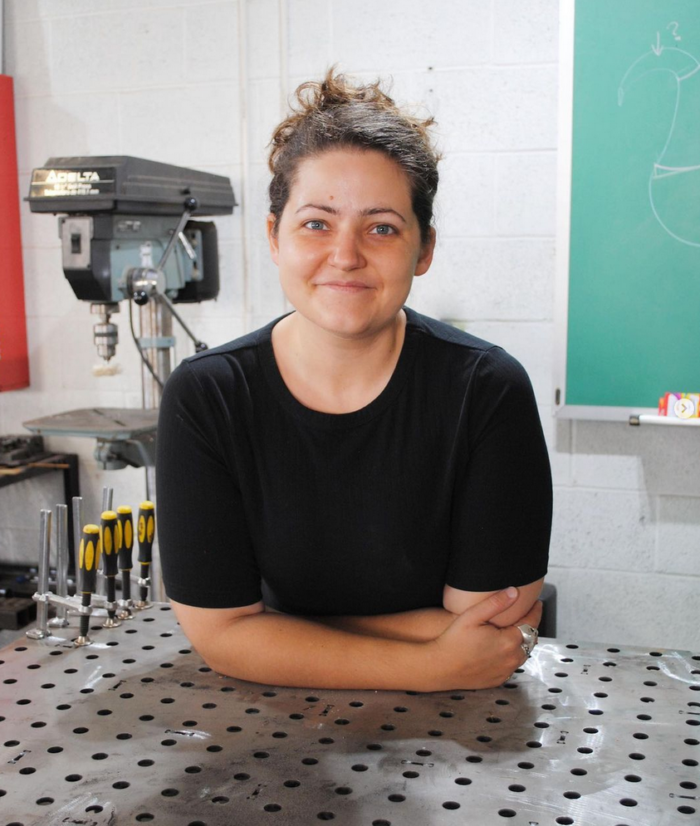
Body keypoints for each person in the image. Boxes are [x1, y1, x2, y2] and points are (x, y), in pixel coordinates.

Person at [156, 69, 552, 693]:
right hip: (265, 735)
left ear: (424, 250)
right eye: (316, 223)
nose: (345, 254)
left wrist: (277, 629)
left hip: (458, 750)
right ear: (274, 237)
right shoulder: (209, 397)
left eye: (383, 227)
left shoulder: (484, 390)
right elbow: (219, 636)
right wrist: (430, 660)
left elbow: (493, 629)